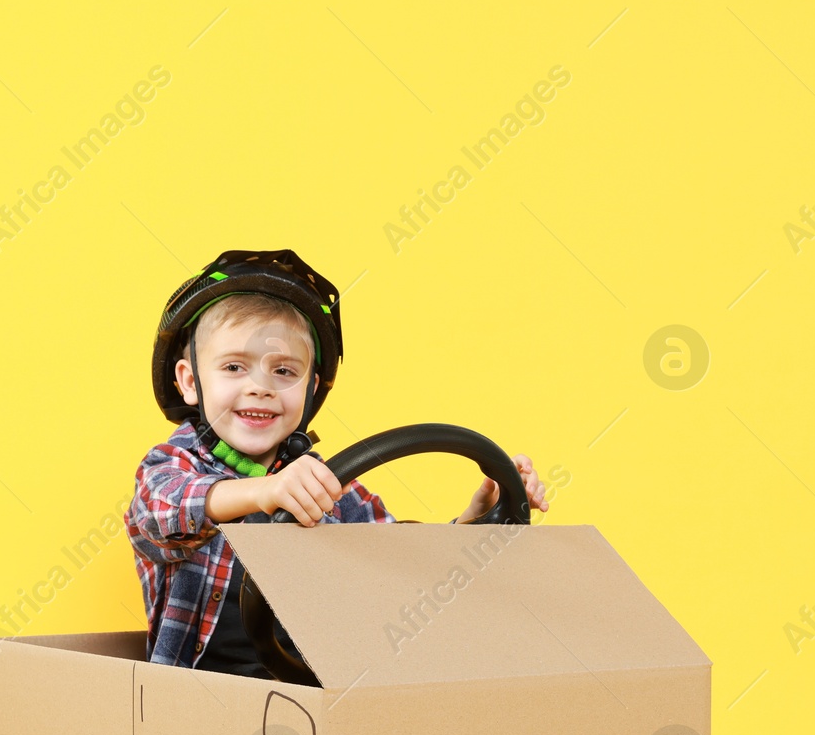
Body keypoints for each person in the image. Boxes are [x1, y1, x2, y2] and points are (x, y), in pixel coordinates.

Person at [127, 249, 549, 674]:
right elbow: (164, 509)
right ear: (189, 381)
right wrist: (266, 490)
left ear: (311, 388)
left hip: (313, 699)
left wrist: (473, 523)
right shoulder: (172, 465)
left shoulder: (331, 486)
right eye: (235, 366)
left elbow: (403, 572)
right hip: (196, 698)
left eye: (284, 372)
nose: (261, 387)